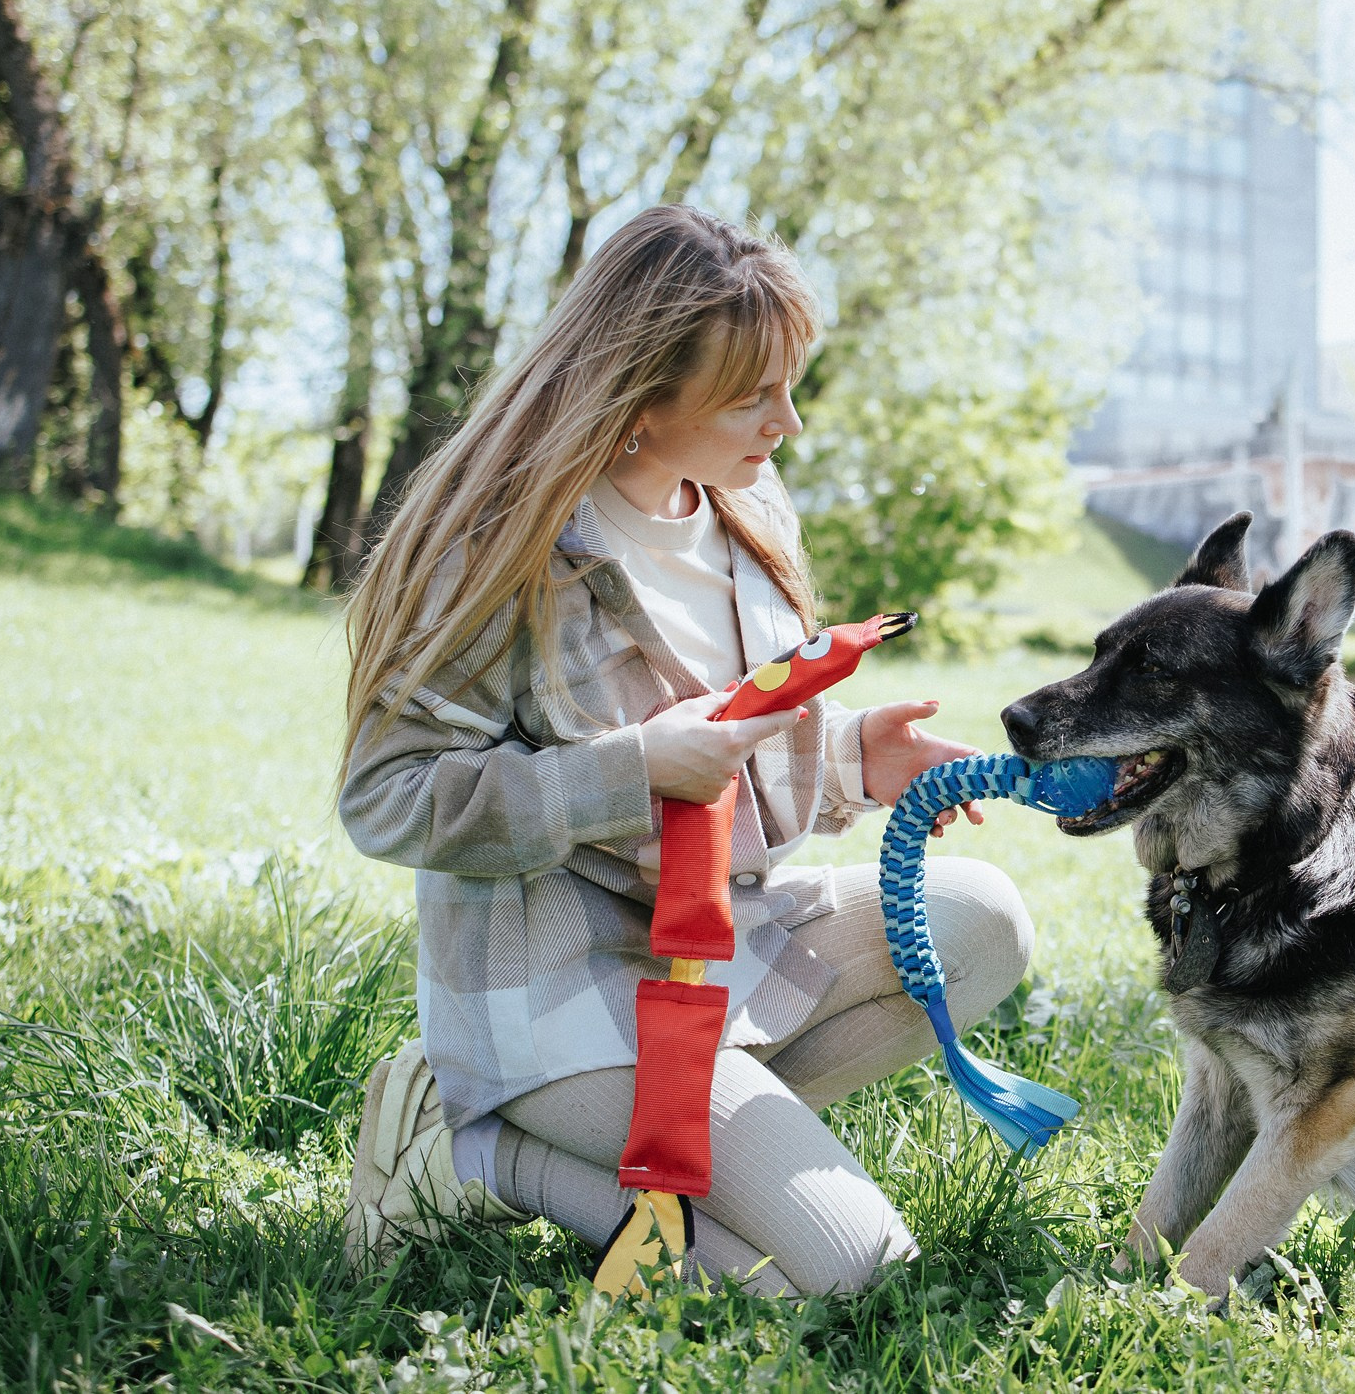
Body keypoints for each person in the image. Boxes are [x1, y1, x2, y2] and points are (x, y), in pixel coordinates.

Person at [336, 204, 1030, 1297]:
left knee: (985, 920)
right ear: (640, 401)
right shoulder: (504, 550)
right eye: (753, 396)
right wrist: (628, 771)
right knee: (852, 1272)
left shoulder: (747, 509)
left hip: (715, 953)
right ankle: (477, 1152)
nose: (788, 422)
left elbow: (725, 740)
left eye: (790, 384)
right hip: (559, 984)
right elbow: (387, 798)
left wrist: (851, 755)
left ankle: (687, 1148)